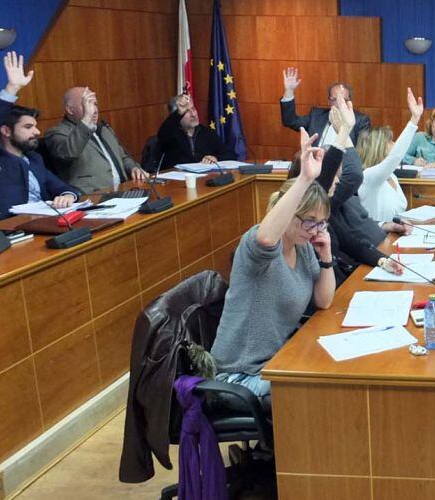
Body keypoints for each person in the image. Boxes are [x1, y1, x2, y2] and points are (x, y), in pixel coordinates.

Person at [210, 128, 336, 403]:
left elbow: (324, 302)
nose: (315, 230)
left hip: (276, 362)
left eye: (321, 222)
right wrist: (304, 178)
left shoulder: (303, 247)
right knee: (323, 389)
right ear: (289, 213)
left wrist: (326, 258)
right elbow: (267, 237)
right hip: (240, 375)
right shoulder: (260, 247)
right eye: (309, 221)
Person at [287, 97, 405, 282]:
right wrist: (343, 132)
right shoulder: (303, 209)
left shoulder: (325, 213)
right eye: (332, 177)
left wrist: (382, 261)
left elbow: (352, 243)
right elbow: (352, 175)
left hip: (346, 278)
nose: (336, 182)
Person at [0, 52, 81, 220]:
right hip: (13, 232)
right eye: (28, 127)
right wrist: (12, 88)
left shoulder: (34, 159)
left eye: (36, 127)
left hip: (45, 223)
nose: (37, 132)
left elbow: (64, 188)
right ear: (6, 131)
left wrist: (67, 196)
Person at [43, 86, 148, 193]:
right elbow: (69, 153)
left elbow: (123, 157)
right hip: (92, 196)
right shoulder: (57, 133)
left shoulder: (104, 128)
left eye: (95, 104)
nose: (94, 110)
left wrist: (134, 168)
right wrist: (86, 120)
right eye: (87, 105)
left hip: (124, 190)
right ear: (70, 110)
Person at [356, 87, 424, 223]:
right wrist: (414, 120)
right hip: (379, 240)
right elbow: (395, 156)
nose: (394, 144)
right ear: (378, 148)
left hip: (398, 236)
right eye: (391, 141)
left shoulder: (391, 176)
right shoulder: (368, 177)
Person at [280, 67, 370, 148]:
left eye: (343, 100)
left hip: (344, 165)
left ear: (350, 102)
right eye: (334, 99)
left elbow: (363, 151)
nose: (339, 104)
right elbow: (290, 121)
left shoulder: (361, 120)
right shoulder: (316, 115)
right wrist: (289, 91)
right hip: (317, 163)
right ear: (329, 101)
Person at [156, 94, 236, 170]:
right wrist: (179, 113)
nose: (194, 114)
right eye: (187, 111)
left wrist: (216, 158)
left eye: (193, 109)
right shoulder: (170, 134)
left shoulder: (206, 132)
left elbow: (231, 155)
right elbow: (163, 133)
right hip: (176, 181)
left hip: (203, 180)